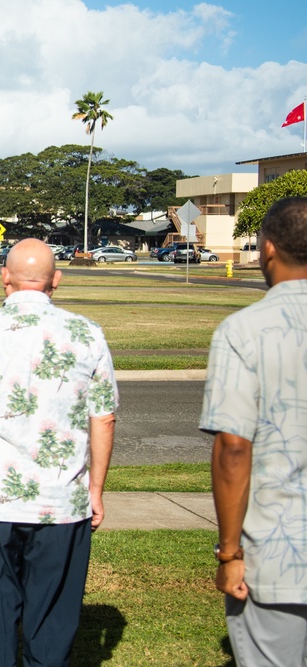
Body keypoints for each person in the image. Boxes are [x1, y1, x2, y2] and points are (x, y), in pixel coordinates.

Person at [0, 238, 117, 666]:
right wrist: (96, 490)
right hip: (61, 503)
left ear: (4, 279)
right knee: (52, 620)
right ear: (56, 280)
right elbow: (103, 418)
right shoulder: (86, 333)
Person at [201, 197, 307, 666]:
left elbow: (233, 449)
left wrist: (229, 553)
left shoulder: (243, 331)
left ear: (266, 248)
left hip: (279, 553)